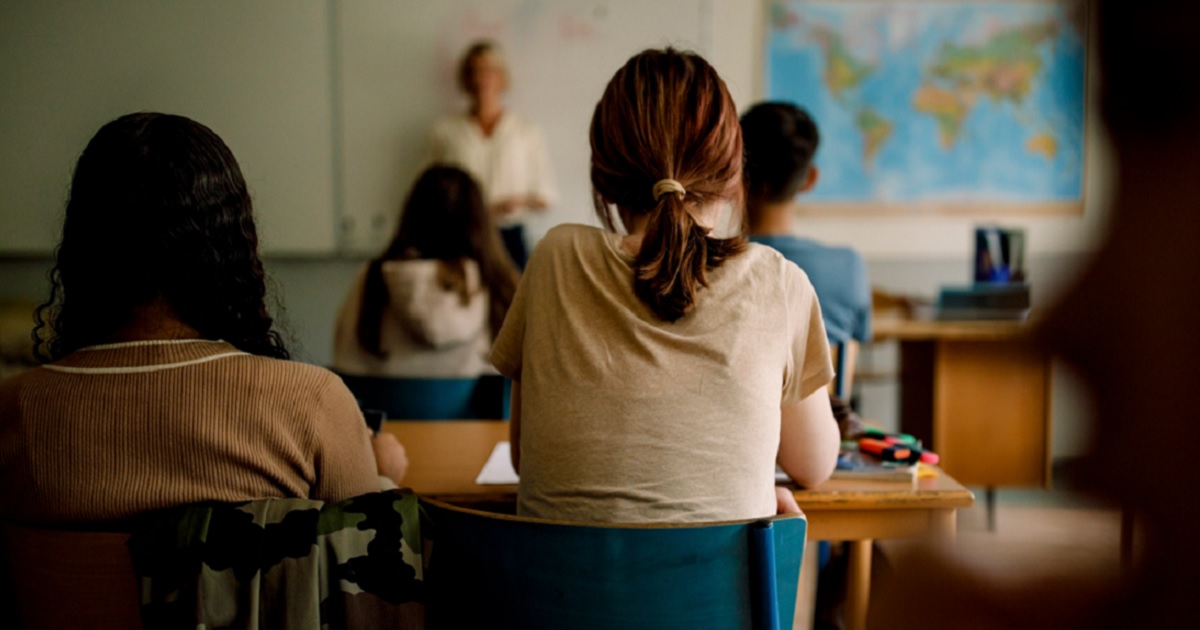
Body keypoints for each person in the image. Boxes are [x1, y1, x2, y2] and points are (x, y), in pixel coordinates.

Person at [0, 113, 406, 526]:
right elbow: (372, 562)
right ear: (231, 245)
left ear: (83, 244)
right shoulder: (313, 403)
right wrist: (383, 478)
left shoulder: (10, 411)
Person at [490, 48, 841, 524]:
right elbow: (814, 466)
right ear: (732, 174)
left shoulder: (555, 258)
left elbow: (523, 455)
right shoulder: (777, 281)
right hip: (723, 576)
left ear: (604, 176)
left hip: (554, 576)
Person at [333, 165, 519, 377]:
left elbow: (345, 363)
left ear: (411, 216)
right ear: (481, 223)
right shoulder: (499, 284)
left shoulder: (370, 277)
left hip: (379, 399)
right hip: (478, 399)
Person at [741, 102, 872, 350]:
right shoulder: (848, 266)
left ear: (734, 172)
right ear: (810, 179)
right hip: (827, 378)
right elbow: (853, 348)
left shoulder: (711, 266)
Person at [429, 40, 557, 269]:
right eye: (474, 71)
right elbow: (430, 191)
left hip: (508, 236)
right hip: (461, 236)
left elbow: (545, 195)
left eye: (488, 71)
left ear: (501, 76)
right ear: (465, 78)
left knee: (514, 291)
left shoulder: (525, 132)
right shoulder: (446, 132)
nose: (481, 79)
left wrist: (517, 201)